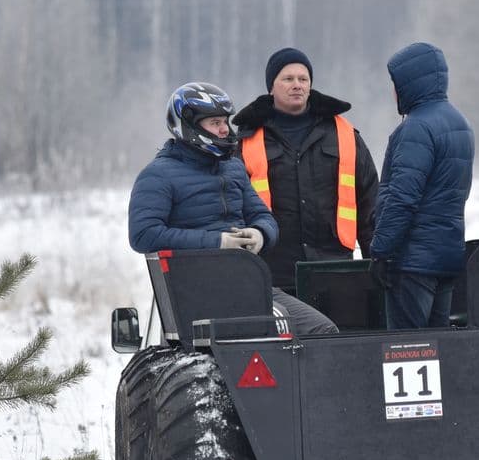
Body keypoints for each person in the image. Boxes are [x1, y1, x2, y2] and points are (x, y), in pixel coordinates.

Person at [128, 81, 338, 336]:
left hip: (249, 282)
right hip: (197, 292)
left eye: (225, 121)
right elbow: (143, 235)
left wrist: (260, 233)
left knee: (323, 330)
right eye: (215, 122)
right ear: (189, 126)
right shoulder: (157, 175)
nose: (225, 129)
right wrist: (218, 242)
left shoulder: (234, 167)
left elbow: (263, 216)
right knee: (294, 334)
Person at [232, 47, 380, 294]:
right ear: (271, 87)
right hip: (274, 273)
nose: (297, 85)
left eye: (303, 79)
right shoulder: (247, 141)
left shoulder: (344, 135)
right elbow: (234, 206)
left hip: (336, 269)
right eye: (288, 79)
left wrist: (376, 264)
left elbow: (370, 205)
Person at [368, 42, 473, 329]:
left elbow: (402, 197)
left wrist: (381, 251)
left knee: (407, 350)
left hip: (413, 261)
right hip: (446, 256)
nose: (393, 92)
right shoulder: (460, 123)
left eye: (395, 83)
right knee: (438, 348)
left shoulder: (416, 128)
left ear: (410, 82)